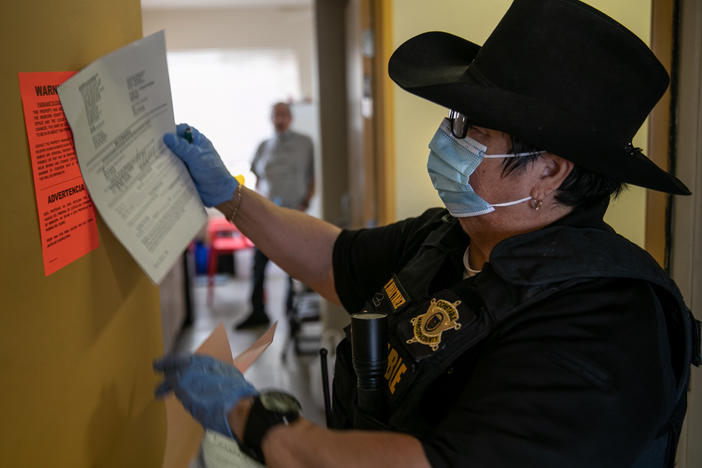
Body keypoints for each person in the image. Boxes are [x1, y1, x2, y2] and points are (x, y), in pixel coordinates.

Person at [155, 0, 701, 466]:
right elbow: (333, 260)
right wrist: (231, 195)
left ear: (549, 171)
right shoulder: (454, 237)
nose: (446, 138)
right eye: (455, 120)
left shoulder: (605, 323)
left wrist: (254, 421)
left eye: (473, 130)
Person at [238, 101, 315, 329]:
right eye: (275, 115)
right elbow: (257, 178)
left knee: (294, 267)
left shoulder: (305, 144)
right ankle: (257, 312)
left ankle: (293, 316)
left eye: (283, 115)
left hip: (293, 215)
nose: (279, 119)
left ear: (290, 118)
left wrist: (305, 203)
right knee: (258, 266)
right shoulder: (263, 146)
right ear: (271, 118)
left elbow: (312, 177)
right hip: (266, 217)